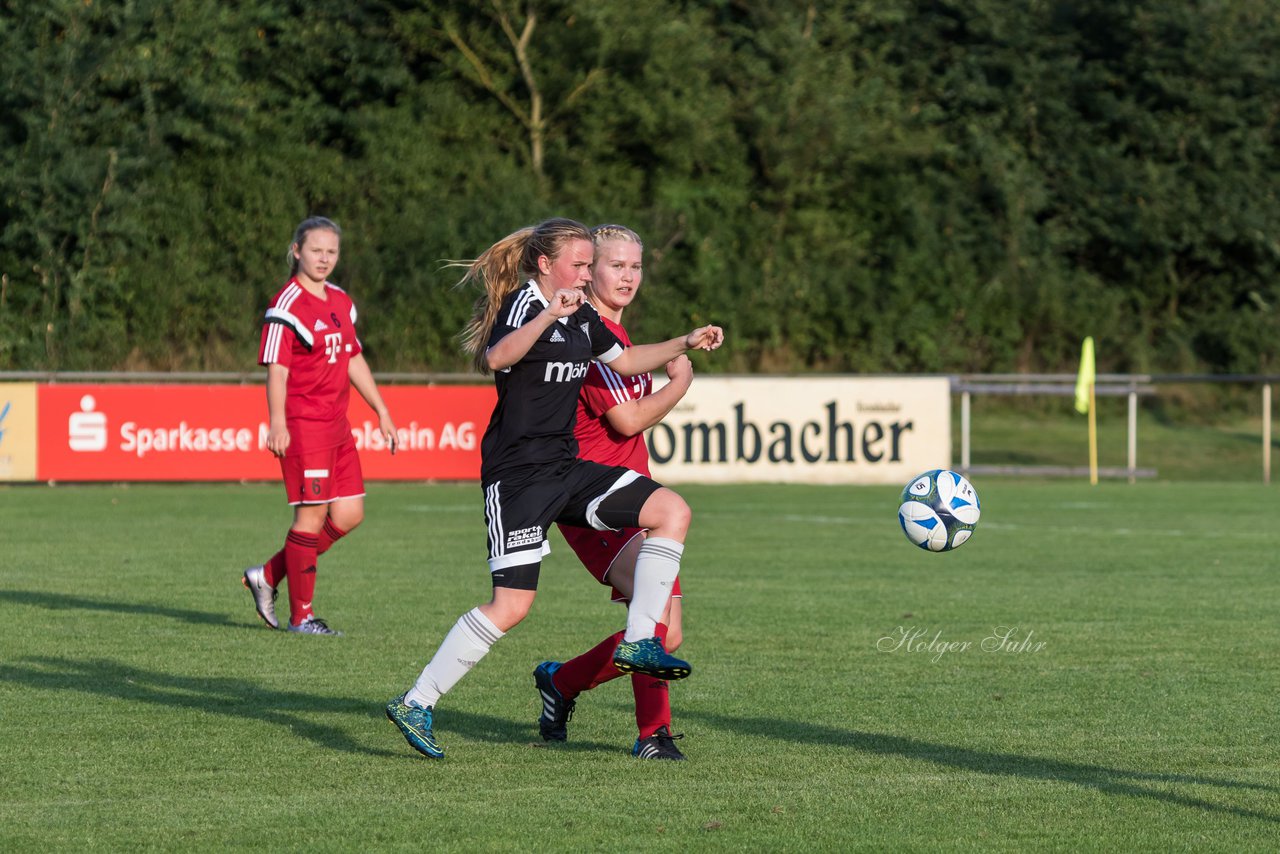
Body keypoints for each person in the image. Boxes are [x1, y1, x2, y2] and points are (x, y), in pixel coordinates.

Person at [385, 217, 723, 759]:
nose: (587, 275)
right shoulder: (525, 303)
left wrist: (686, 341)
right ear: (546, 264)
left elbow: (629, 359)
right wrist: (548, 313)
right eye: (582, 264)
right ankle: (416, 701)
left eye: (593, 264)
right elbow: (496, 358)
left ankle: (639, 642)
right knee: (512, 606)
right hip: (517, 477)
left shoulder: (583, 313)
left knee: (671, 510)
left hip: (566, 467)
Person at [536, 224, 692, 760]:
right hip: (592, 501)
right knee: (656, 629)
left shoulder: (619, 340)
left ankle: (561, 684)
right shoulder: (584, 335)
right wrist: (679, 383)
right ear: (590, 270)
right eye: (615, 266)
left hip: (634, 497)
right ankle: (654, 735)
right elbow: (625, 422)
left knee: (664, 634)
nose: (627, 276)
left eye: (635, 266)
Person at [242, 216, 398, 636]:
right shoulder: (285, 306)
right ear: (297, 251)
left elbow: (352, 357)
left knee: (348, 514)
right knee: (309, 519)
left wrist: (380, 409)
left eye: (331, 252)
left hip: (338, 425)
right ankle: (302, 618)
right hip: (304, 426)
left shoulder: (341, 301)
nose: (324, 258)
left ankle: (269, 574)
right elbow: (277, 369)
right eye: (316, 250)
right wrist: (276, 422)